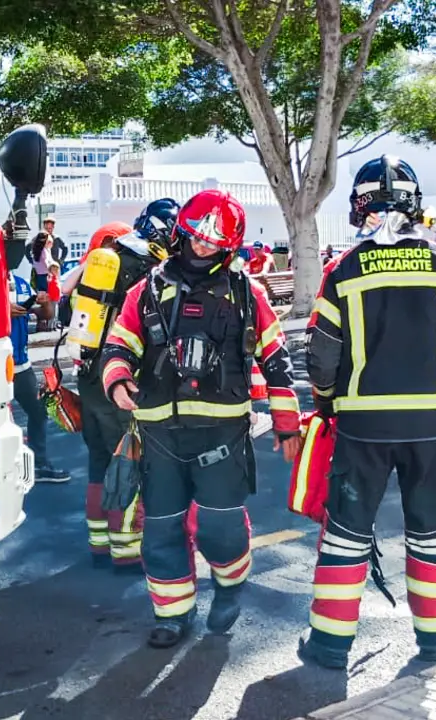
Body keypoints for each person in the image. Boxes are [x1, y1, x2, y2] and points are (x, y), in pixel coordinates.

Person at [100, 189, 302, 648]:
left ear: (228, 246)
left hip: (223, 435)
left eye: (214, 242)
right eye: (196, 237)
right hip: (159, 435)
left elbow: (277, 359)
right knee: (161, 531)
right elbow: (118, 344)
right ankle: (173, 614)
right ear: (181, 234)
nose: (203, 246)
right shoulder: (148, 287)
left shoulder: (245, 291)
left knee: (221, 529)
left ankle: (230, 584)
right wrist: (117, 381)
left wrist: (288, 424)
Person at [298, 154, 436, 670]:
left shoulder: (345, 268)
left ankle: (330, 646)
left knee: (347, 534)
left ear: (363, 205)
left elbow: (321, 356)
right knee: (431, 531)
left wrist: (328, 399)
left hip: (364, 425)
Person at [76, 212, 170, 572]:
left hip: (88, 375)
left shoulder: (101, 263)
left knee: (99, 461)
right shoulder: (149, 269)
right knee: (130, 462)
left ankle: (99, 545)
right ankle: (127, 551)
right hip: (120, 379)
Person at [8, 270, 70, 483]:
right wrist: (2, 311)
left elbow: (46, 315)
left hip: (22, 366)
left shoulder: (21, 283)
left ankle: (39, 464)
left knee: (38, 412)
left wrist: (44, 303)